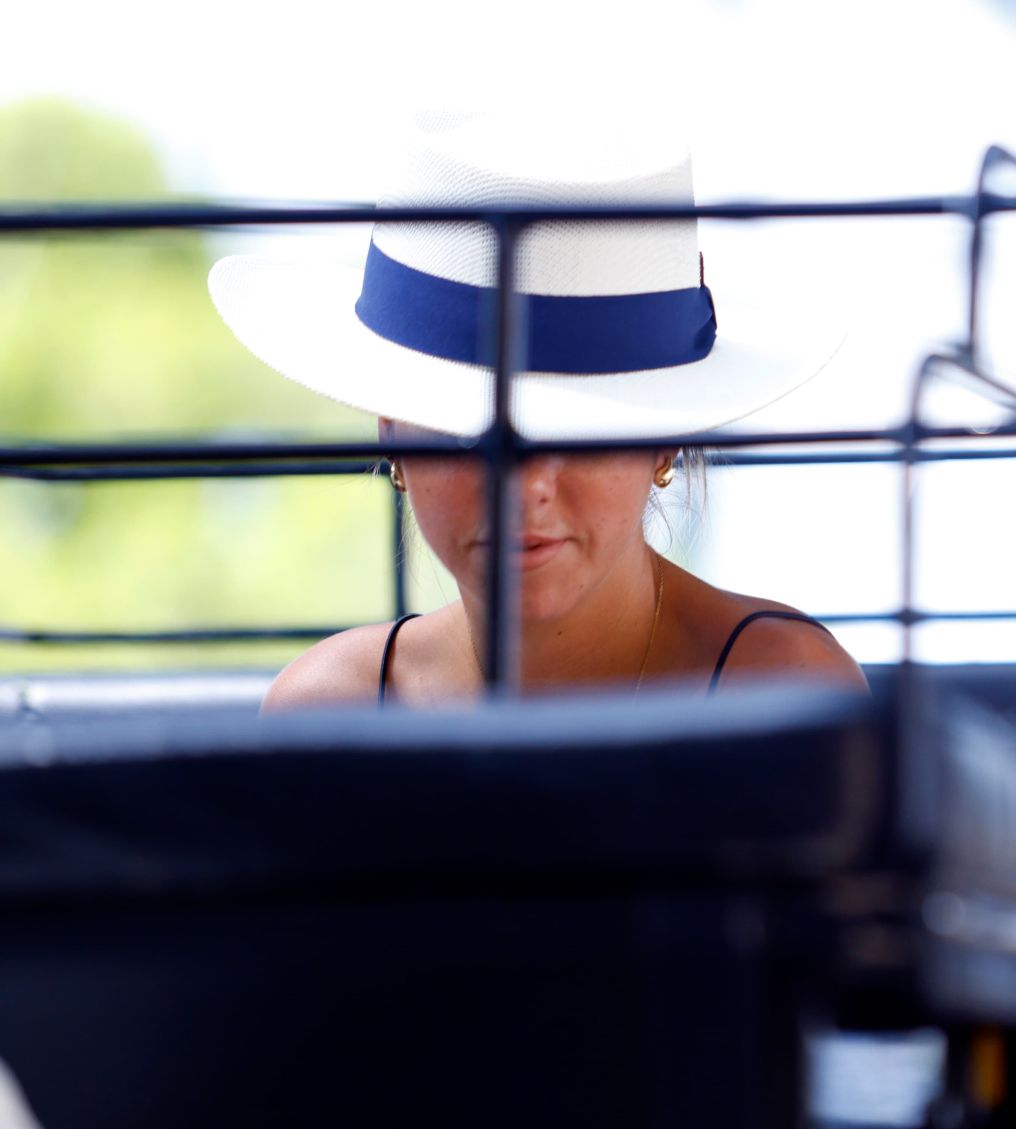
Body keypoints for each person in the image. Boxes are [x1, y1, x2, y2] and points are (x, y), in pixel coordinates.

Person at [208, 111, 866, 709]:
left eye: (580, 427)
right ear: (391, 431)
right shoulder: (326, 711)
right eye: (470, 427)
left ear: (667, 441)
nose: (525, 487)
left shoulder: (784, 689)